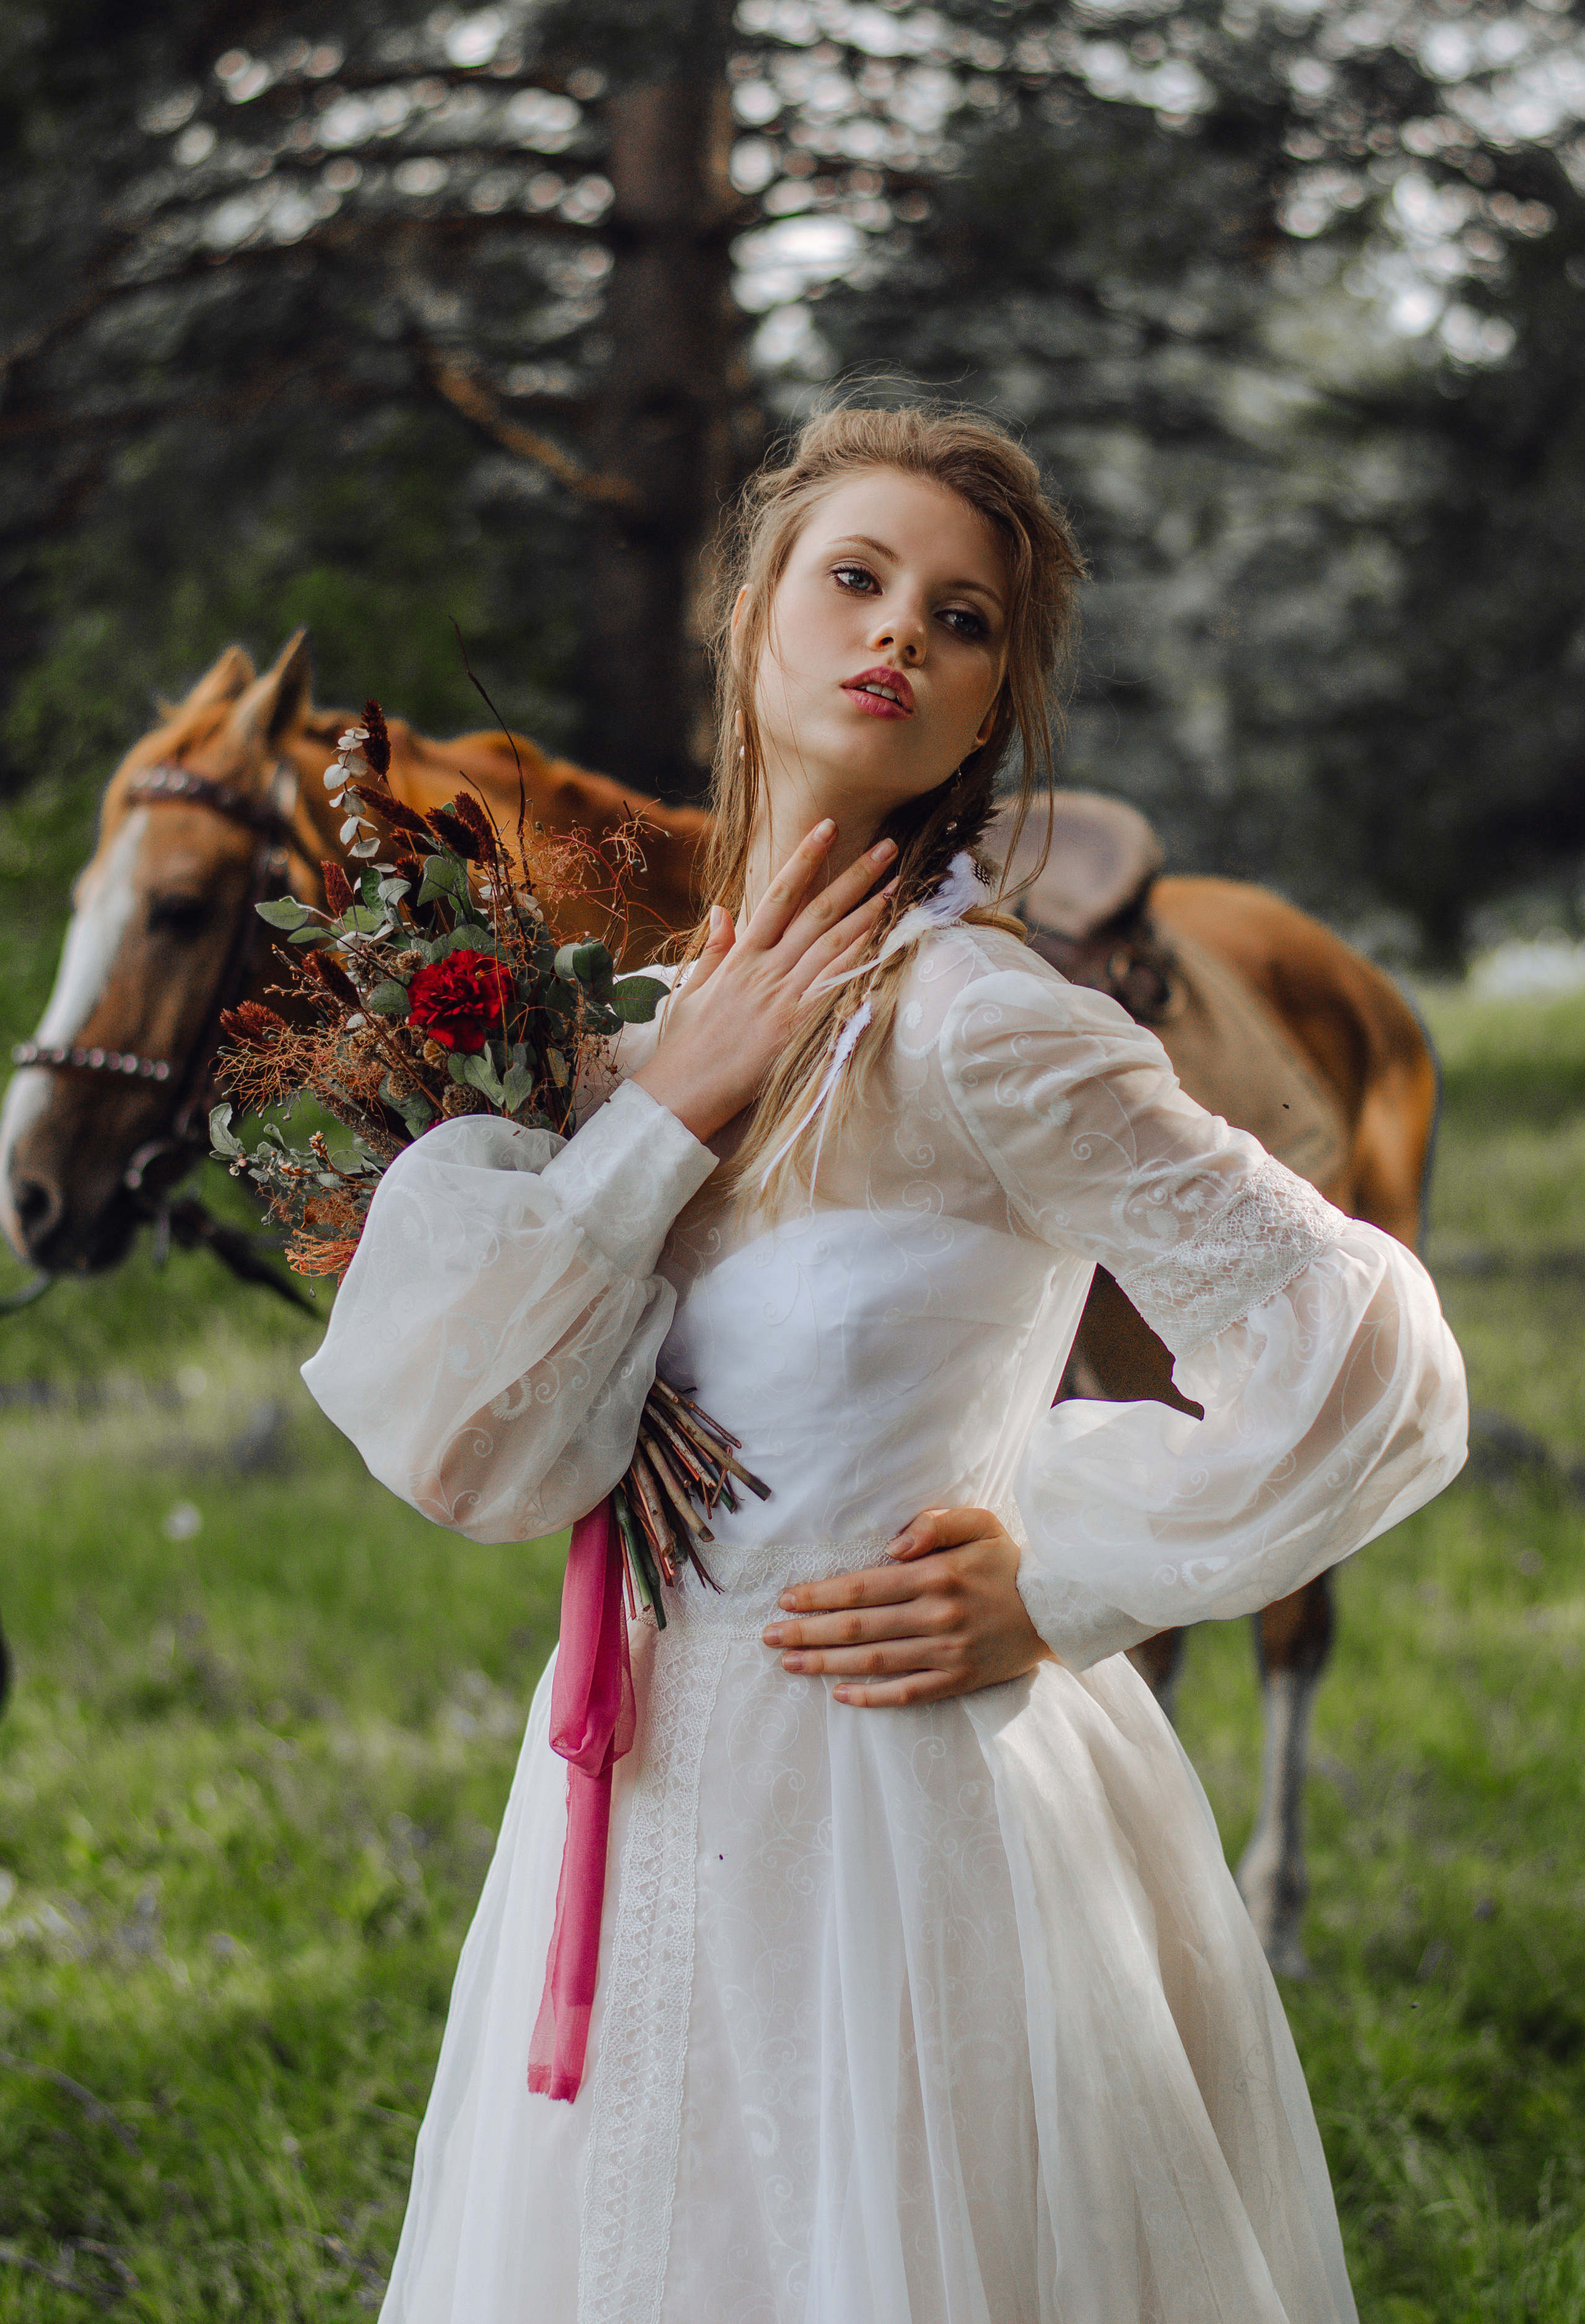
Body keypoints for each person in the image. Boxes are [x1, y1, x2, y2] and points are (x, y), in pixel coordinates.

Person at [305, 402, 1467, 2324]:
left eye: (966, 620)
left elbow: (1369, 1339)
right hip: (638, 1796)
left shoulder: (983, 1017)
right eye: (857, 578)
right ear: (754, 612)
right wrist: (665, 1103)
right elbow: (480, 1457)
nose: (903, 637)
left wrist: (1059, 1569)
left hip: (898, 1823)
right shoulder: (652, 1022)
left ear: (993, 707)